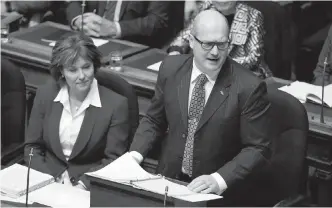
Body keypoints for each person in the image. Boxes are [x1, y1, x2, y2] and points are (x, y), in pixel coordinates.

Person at [128, 10, 272, 205]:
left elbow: (258, 148)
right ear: (192, 41)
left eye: (222, 44)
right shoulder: (170, 68)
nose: (215, 52)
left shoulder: (249, 87)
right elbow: (154, 120)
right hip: (168, 183)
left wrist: (218, 179)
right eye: (207, 44)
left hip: (217, 194)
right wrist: (134, 156)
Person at [24, 33, 130, 190]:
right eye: (73, 70)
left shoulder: (116, 105)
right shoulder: (45, 94)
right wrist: (47, 181)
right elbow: (32, 147)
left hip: (88, 185)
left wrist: (82, 185)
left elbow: (113, 160)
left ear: (94, 65)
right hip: (46, 180)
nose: (82, 76)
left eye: (86, 67)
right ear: (61, 71)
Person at [168, 0, 272, 79]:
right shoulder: (206, 8)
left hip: (242, 74)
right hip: (207, 73)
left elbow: (254, 57)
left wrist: (218, 63)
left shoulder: (253, 16)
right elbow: (187, 34)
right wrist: (176, 50)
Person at [66, 1, 171, 48]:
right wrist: (79, 19)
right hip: (91, 40)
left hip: (129, 46)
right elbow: (74, 2)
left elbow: (156, 21)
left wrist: (115, 29)